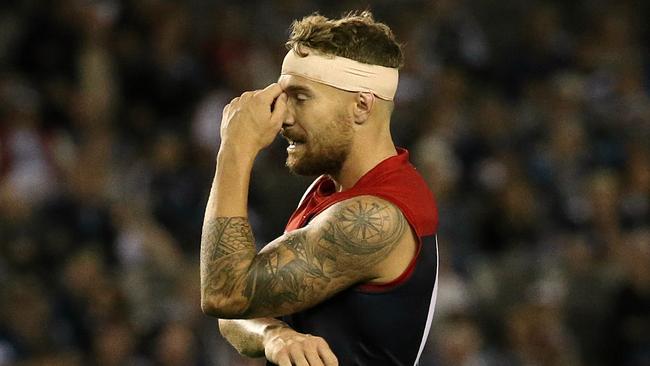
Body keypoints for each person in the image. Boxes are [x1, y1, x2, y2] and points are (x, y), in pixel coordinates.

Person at [200, 11, 439, 366]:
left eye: (301, 97)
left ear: (361, 106)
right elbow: (239, 305)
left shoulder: (373, 218)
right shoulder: (330, 191)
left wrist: (235, 148)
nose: (284, 117)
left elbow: (225, 291)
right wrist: (273, 334)